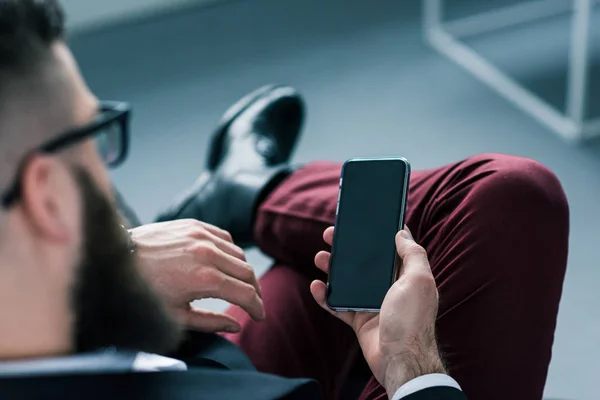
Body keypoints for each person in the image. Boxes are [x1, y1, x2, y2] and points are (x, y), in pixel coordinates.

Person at [0, 1, 569, 399]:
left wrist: (107, 264)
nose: (104, 161)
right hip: (229, 376)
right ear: (48, 196)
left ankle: (251, 192)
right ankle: (254, 191)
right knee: (507, 199)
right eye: (94, 134)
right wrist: (410, 368)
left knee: (339, 269)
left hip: (184, 350)